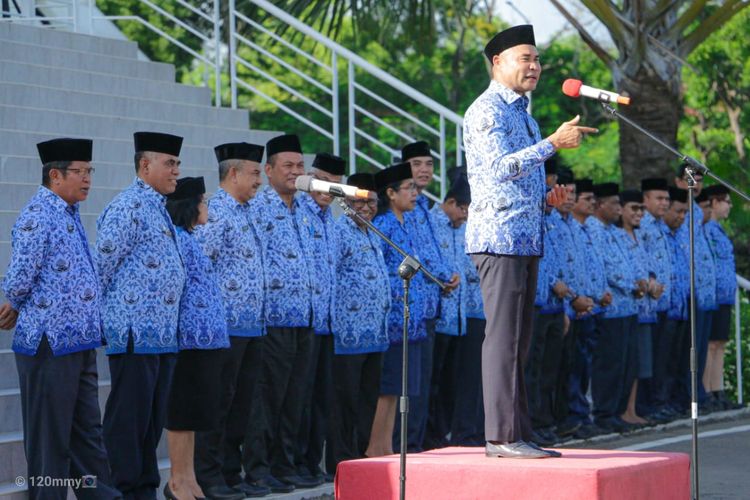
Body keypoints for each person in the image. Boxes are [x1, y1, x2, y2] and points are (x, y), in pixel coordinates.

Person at [463, 24, 594, 459]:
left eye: (537, 59)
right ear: (498, 62)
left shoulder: (524, 113)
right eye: (526, 58)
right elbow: (497, 170)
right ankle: (500, 436)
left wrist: (546, 199)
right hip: (498, 239)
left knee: (521, 340)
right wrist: (552, 144)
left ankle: (518, 432)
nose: (534, 66)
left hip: (524, 236)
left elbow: (515, 182)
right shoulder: (487, 111)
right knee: (502, 339)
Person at [1, 138, 120, 500]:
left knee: (87, 436)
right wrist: (12, 301)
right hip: (49, 344)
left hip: (80, 340)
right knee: (50, 440)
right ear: (55, 175)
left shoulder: (68, 212)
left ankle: (101, 496)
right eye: (79, 172)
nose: (87, 179)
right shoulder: (39, 214)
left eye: (89, 171)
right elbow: (21, 274)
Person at [96, 132, 186, 500]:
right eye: (170, 163)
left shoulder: (157, 206)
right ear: (145, 165)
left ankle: (143, 485)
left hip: (162, 333)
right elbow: (101, 265)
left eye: (178, 164)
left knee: (151, 421)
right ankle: (122, 487)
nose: (176, 171)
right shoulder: (128, 206)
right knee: (128, 419)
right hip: (134, 331)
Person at [193, 142, 269, 499]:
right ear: (234, 172)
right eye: (255, 173)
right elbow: (200, 263)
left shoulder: (247, 210)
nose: (260, 181)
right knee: (217, 405)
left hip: (251, 324)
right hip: (223, 327)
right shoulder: (216, 210)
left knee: (241, 406)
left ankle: (228, 471)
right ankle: (208, 476)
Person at [244, 134, 318, 492]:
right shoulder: (258, 209)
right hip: (273, 319)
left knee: (296, 399)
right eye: (287, 166)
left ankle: (284, 465)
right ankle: (258, 469)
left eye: (300, 165)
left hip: (305, 318)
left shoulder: (306, 210)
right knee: (267, 399)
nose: (295, 172)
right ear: (269, 170)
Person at [164, 177, 231, 500]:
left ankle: (190, 479)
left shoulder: (191, 237)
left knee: (195, 414)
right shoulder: (175, 238)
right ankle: (177, 480)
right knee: (182, 411)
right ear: (190, 206)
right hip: (187, 340)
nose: (207, 208)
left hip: (208, 340)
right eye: (203, 202)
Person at [328, 172, 391, 473]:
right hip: (347, 333)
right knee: (346, 401)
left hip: (375, 333)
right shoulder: (339, 231)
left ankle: (359, 454)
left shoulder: (371, 233)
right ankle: (341, 460)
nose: (366, 209)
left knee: (367, 399)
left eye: (372, 203)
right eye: (360, 202)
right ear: (346, 202)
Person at [399, 140, 460, 452]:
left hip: (432, 305)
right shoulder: (401, 209)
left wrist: (446, 275)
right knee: (411, 383)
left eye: (428, 164)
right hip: (410, 307)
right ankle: (407, 444)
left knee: (428, 383)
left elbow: (432, 252)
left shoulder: (427, 208)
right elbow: (412, 255)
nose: (424, 170)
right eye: (416, 164)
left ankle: (422, 440)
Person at [367, 161, 427, 457]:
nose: (415, 193)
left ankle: (387, 445)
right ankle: (375, 446)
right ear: (390, 193)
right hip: (392, 318)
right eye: (409, 188)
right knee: (388, 386)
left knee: (399, 389)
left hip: (411, 319)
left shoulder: (409, 222)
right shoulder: (384, 225)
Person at [296, 153, 345, 484]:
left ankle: (312, 462)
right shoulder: (299, 214)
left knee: (322, 399)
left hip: (329, 322)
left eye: (335, 184)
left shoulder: (334, 220)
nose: (327, 189)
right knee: (299, 398)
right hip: (305, 322)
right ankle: (295, 463)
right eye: (323, 180)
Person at [587, 183, 643, 434]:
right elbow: (604, 266)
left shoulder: (614, 231)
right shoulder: (594, 229)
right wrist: (633, 284)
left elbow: (629, 262)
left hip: (628, 306)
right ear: (600, 205)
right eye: (614, 204)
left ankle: (618, 411)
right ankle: (604, 412)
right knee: (609, 364)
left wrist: (641, 282)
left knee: (625, 363)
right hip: (612, 307)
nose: (619, 209)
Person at [425, 175, 472, 449]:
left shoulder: (462, 229)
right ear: (451, 202)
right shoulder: (431, 223)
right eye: (463, 209)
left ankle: (442, 432)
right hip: (439, 317)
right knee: (433, 380)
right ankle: (429, 433)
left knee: (449, 382)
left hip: (458, 319)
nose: (465, 215)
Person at [563, 179, 610, 440]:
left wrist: (597, 294)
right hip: (572, 306)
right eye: (587, 199)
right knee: (571, 366)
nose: (592, 204)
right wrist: (574, 298)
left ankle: (581, 414)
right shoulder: (564, 226)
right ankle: (573, 416)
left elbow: (592, 267)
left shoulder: (585, 229)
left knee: (584, 366)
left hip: (590, 307)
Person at [674, 163, 717, 411]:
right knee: (686, 349)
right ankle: (685, 395)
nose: (696, 183)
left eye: (699, 179)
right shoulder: (679, 209)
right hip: (685, 288)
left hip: (702, 290)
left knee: (699, 346)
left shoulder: (698, 212)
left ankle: (697, 391)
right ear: (680, 181)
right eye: (691, 178)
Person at [635, 178, 674, 422]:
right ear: (645, 200)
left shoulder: (661, 225)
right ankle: (647, 404)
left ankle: (660, 401)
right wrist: (650, 281)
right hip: (647, 300)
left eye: (666, 199)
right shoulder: (643, 224)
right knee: (649, 357)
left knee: (662, 357)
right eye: (658, 198)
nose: (664, 203)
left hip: (664, 301)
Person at [617, 189, 654, 426]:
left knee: (640, 362)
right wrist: (636, 285)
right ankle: (624, 410)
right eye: (634, 208)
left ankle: (632, 408)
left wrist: (651, 282)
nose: (639, 213)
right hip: (628, 303)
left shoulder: (640, 237)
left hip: (645, 307)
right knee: (627, 361)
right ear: (622, 210)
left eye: (641, 209)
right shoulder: (618, 235)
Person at [702, 184, 739, 410]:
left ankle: (718, 390)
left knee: (720, 343)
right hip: (713, 294)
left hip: (725, 295)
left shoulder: (719, 230)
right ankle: (706, 390)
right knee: (710, 344)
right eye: (726, 201)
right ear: (714, 203)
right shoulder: (707, 229)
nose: (729, 206)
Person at [662, 187, 691, 414]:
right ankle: (660, 401)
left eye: (685, 213)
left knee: (677, 358)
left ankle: (672, 400)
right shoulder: (657, 232)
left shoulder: (679, 235)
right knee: (664, 359)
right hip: (664, 306)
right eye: (678, 212)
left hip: (681, 305)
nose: (681, 217)